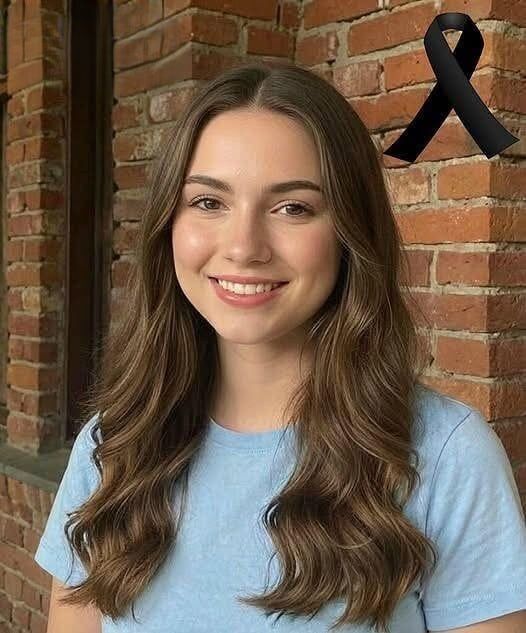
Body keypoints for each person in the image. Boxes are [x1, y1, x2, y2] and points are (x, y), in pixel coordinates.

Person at [34, 60, 526, 633]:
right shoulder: (112, 445)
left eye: (293, 207)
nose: (244, 247)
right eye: (208, 202)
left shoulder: (445, 457)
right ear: (168, 223)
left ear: (350, 232)